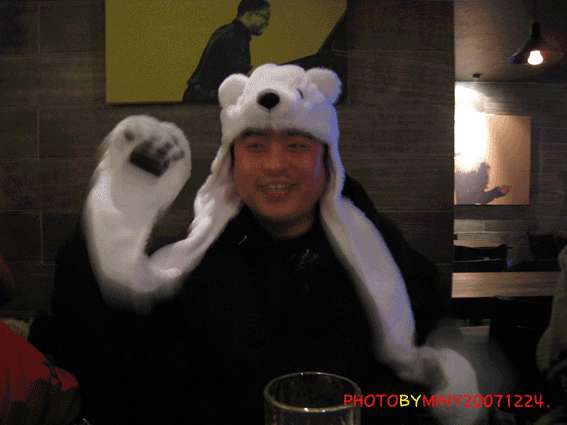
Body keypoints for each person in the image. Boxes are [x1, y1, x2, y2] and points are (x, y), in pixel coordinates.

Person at [53, 64, 481, 425]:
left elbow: (422, 378)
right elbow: (111, 362)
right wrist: (112, 219)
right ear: (231, 163)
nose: (275, 165)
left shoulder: (383, 251)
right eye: (255, 146)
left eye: (296, 145)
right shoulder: (195, 264)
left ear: (326, 159)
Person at [182, 0, 270, 104]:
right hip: (206, 101)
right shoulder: (236, 36)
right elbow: (240, 77)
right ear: (250, 15)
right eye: (265, 17)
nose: (267, 23)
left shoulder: (225, 30)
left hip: (197, 96)